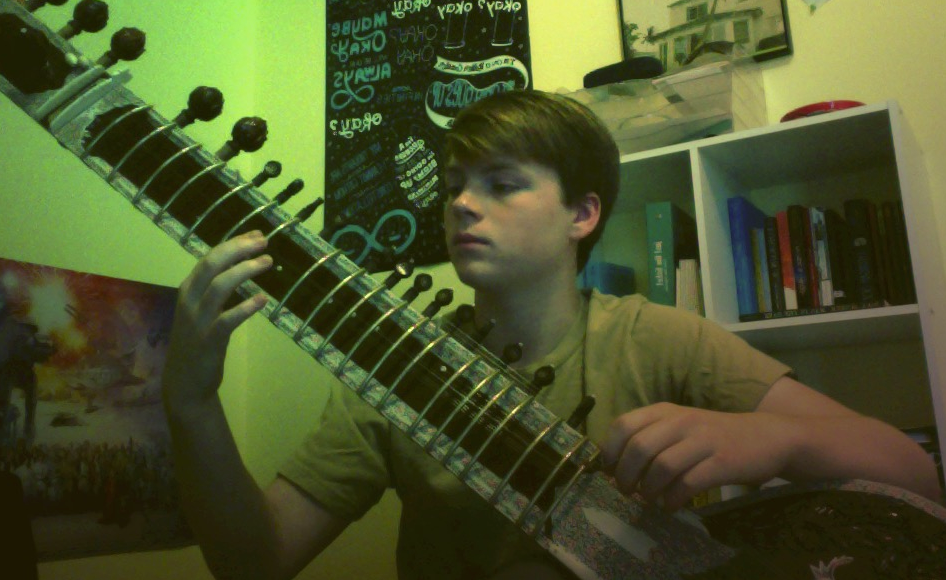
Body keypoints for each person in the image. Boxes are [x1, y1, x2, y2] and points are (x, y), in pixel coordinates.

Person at [163, 90, 941, 580]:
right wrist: (191, 403)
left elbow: (911, 472)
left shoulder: (657, 339)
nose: (462, 205)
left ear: (582, 213)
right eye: (455, 186)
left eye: (501, 184)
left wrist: (771, 441)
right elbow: (254, 562)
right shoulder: (395, 371)